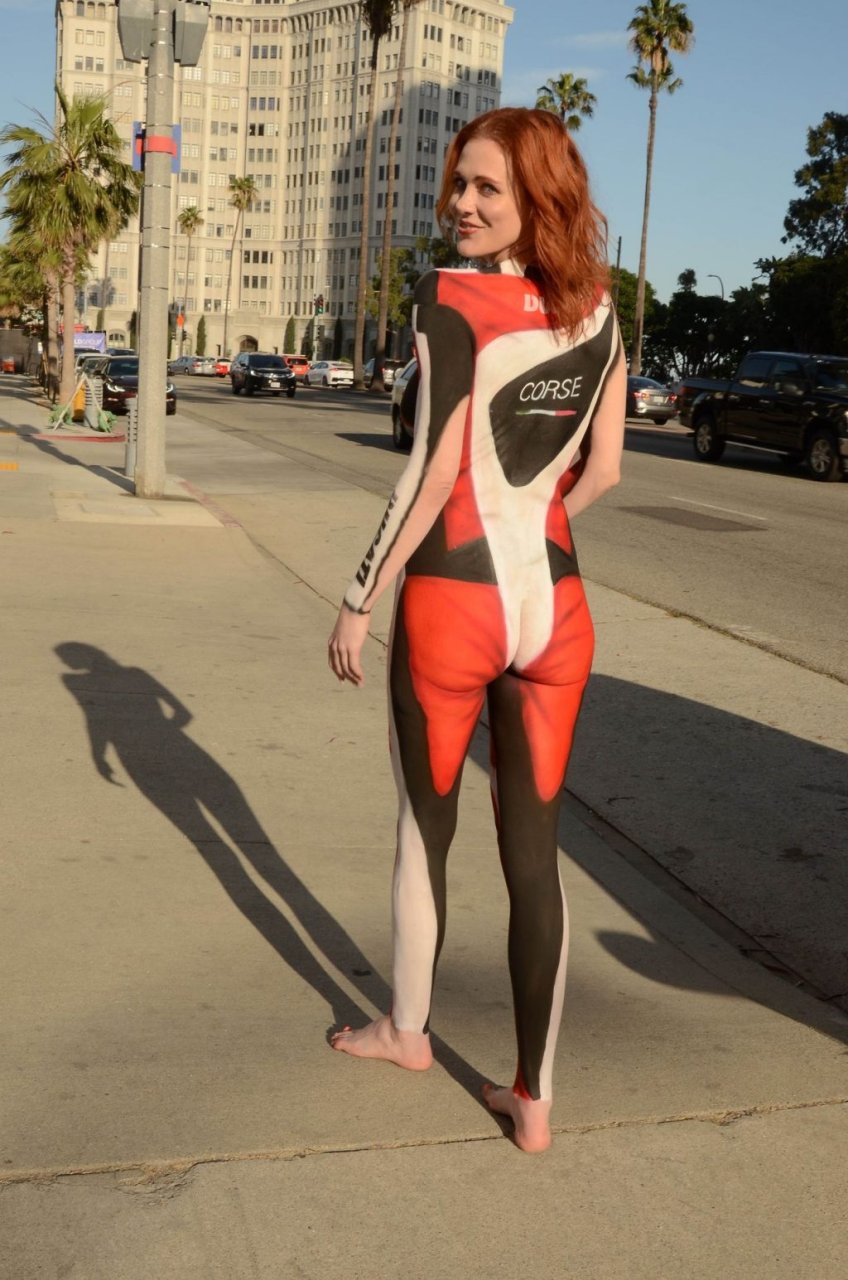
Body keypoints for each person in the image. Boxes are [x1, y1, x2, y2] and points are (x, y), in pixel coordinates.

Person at [327, 107, 625, 1153]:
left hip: (453, 602)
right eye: (459, 182)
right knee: (535, 858)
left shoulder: (448, 296)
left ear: (534, 196)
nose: (460, 203)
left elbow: (431, 469)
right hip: (556, 605)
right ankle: (533, 1100)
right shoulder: (599, 309)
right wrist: (530, 524)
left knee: (425, 829)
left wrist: (361, 593)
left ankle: (406, 1031)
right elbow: (604, 471)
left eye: (486, 187)